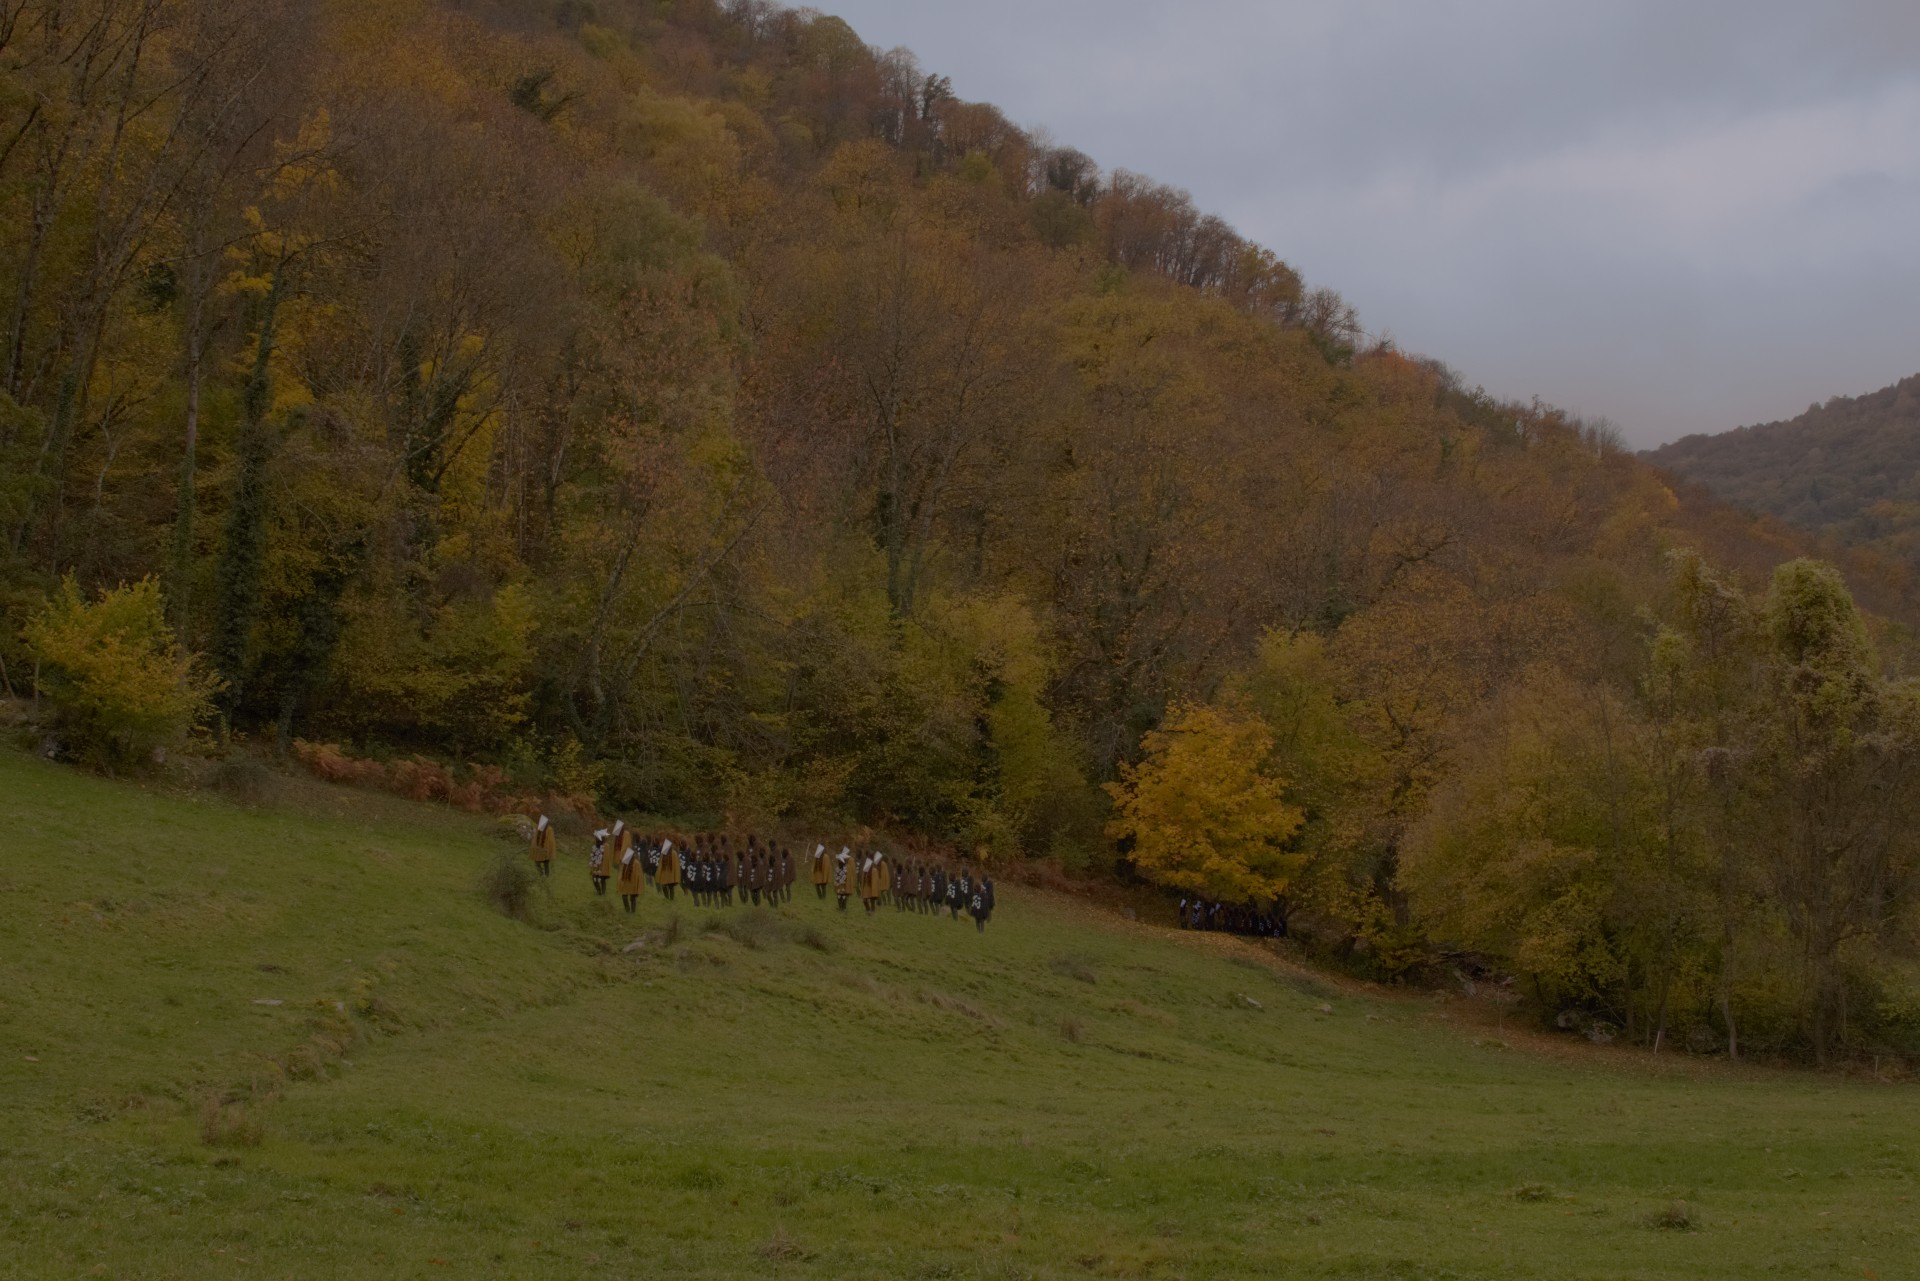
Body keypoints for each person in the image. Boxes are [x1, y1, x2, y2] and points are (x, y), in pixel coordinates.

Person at [616, 834, 644, 913]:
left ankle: (633, 911)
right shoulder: (625, 864)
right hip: (626, 884)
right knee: (624, 896)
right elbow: (622, 873)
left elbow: (639, 876)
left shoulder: (636, 864)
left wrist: (637, 888)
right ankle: (627, 910)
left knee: (633, 898)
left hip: (633, 885)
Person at [589, 828, 610, 896]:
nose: (596, 839)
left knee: (602, 879)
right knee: (594, 878)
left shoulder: (606, 846)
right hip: (596, 865)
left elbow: (606, 858)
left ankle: (603, 892)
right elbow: (594, 854)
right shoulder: (596, 846)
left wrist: (602, 867)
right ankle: (599, 891)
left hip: (602, 865)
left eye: (597, 838)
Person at [833, 847, 853, 911]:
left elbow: (849, 877)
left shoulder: (848, 867)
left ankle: (843, 908)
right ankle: (840, 907)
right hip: (839, 883)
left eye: (840, 860)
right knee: (839, 895)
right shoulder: (838, 867)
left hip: (845, 884)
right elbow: (836, 875)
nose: (839, 861)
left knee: (844, 895)